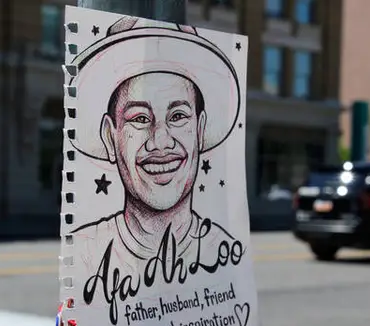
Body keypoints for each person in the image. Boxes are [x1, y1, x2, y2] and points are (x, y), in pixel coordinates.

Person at [67, 16, 244, 290]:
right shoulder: (82, 254)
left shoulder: (226, 252)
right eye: (139, 118)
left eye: (178, 116)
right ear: (110, 137)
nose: (160, 142)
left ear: (200, 130)